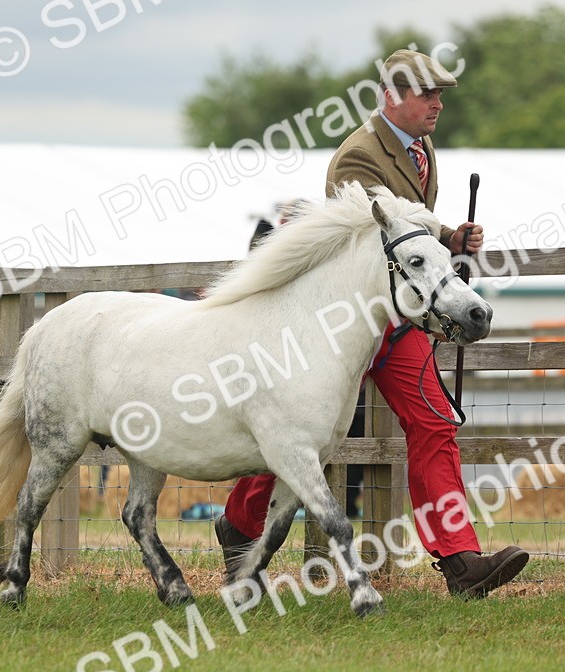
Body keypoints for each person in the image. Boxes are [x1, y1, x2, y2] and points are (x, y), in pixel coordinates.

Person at [214, 49, 529, 599]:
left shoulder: (421, 148)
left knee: (433, 421)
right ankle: (239, 529)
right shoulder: (357, 158)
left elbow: (413, 235)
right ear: (391, 96)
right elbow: (382, 229)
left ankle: (461, 562)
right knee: (297, 435)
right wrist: (445, 236)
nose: (437, 103)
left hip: (397, 322)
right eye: (426, 93)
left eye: (440, 94)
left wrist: (451, 241)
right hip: (349, 320)